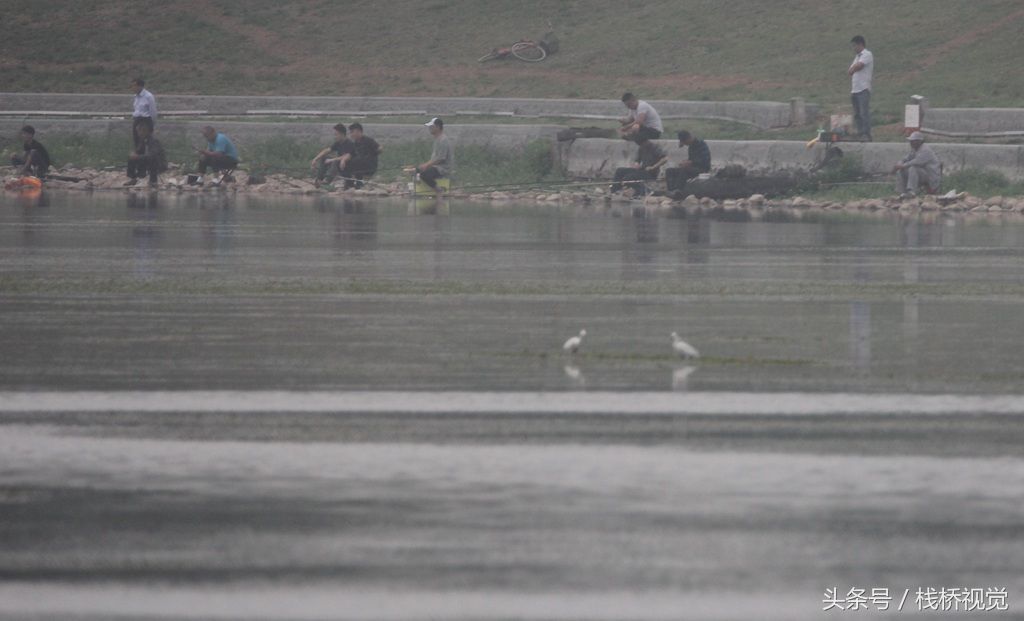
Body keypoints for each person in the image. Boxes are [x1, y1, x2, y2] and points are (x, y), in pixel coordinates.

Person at [406, 117, 453, 196]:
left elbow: (441, 158)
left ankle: (438, 190)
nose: (429, 129)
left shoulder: (443, 140)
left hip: (442, 168)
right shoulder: (437, 139)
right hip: (435, 167)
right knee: (416, 170)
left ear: (437, 127)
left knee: (424, 174)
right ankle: (416, 190)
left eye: (431, 127)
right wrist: (423, 166)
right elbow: (435, 159)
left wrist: (427, 165)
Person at [892, 131, 941, 199]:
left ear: (919, 141)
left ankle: (911, 192)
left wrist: (902, 166)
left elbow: (916, 162)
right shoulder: (914, 149)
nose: (911, 143)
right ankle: (903, 192)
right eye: (910, 141)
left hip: (930, 177)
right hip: (921, 174)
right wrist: (899, 163)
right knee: (901, 170)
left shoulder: (926, 150)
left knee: (913, 168)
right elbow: (906, 158)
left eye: (913, 141)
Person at [124, 122, 167, 187]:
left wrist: (138, 157)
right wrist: (134, 155)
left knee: (153, 160)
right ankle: (133, 178)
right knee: (131, 159)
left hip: (158, 163)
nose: (138, 134)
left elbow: (152, 155)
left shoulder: (153, 141)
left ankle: (153, 181)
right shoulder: (143, 140)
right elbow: (139, 151)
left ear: (145, 131)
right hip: (147, 160)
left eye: (139, 131)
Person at [848, 35, 873, 141]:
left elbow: (859, 66)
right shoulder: (857, 57)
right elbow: (850, 70)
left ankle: (866, 134)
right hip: (855, 89)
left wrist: (854, 68)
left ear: (860, 44)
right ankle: (859, 133)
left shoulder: (867, 54)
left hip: (863, 89)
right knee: (857, 114)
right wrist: (853, 68)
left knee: (864, 113)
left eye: (854, 45)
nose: (853, 48)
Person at [343, 122, 383, 189]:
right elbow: (351, 154)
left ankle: (359, 183)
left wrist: (376, 152)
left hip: (370, 165)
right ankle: (350, 183)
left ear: (359, 131)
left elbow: (380, 148)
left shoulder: (368, 140)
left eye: (352, 132)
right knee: (351, 161)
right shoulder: (355, 143)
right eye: (350, 132)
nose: (351, 134)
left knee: (357, 160)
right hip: (360, 163)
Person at [131, 77, 158, 152]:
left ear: (140, 86)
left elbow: (153, 111)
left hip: (145, 120)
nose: (133, 88)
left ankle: (146, 157)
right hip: (137, 120)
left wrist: (152, 123)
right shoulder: (136, 96)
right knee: (137, 140)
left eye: (134, 86)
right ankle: (138, 157)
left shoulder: (148, 96)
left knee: (145, 141)